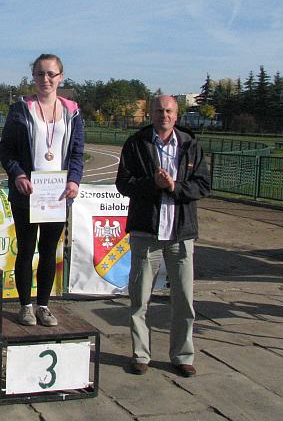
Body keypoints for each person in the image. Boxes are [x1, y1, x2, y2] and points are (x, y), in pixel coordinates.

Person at [115, 95, 210, 377]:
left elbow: (203, 185)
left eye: (169, 111)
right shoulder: (136, 143)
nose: (164, 115)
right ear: (151, 114)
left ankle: (182, 356)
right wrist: (152, 184)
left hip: (181, 233)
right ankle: (141, 354)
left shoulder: (190, 144)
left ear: (176, 115)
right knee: (139, 299)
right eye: (158, 110)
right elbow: (123, 183)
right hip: (146, 232)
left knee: (184, 300)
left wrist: (173, 187)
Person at [0, 54, 84, 326]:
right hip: (27, 193)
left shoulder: (72, 112)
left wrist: (74, 180)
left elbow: (77, 153)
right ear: (33, 77)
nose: (45, 79)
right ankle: (25, 306)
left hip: (57, 195)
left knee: (48, 251)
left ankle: (43, 306)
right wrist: (18, 174)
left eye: (51, 74)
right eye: (39, 74)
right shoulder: (20, 109)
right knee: (26, 249)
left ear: (61, 77)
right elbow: (6, 150)